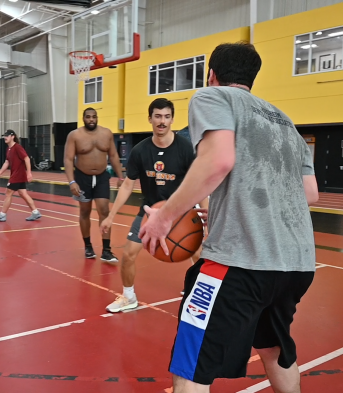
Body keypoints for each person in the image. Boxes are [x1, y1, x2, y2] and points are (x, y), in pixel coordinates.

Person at [139, 42, 319, 393]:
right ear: (252, 77)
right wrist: (230, 205)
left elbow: (218, 161)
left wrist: (164, 218)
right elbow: (309, 194)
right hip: (297, 266)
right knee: (274, 348)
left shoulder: (211, 96)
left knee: (190, 366)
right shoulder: (285, 122)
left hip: (239, 264)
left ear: (212, 75)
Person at [100, 98, 205, 312]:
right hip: (150, 211)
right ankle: (129, 297)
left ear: (172, 120)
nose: (162, 121)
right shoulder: (140, 151)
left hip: (182, 211)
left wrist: (206, 217)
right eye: (158, 116)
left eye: (167, 116)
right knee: (129, 254)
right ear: (150, 119)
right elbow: (128, 185)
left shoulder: (186, 149)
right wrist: (111, 215)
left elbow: (201, 183)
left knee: (199, 254)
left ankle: (199, 291)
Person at [64, 108, 125, 262]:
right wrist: (72, 181)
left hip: (102, 177)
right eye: (88, 117)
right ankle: (88, 246)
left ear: (97, 118)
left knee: (104, 210)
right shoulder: (75, 135)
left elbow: (113, 155)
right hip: (82, 177)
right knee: (85, 212)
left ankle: (106, 250)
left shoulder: (106, 134)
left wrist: (121, 177)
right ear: (83, 118)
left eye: (94, 117)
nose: (91, 119)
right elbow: (68, 159)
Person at [0, 130, 42, 222]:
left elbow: (26, 158)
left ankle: (2, 215)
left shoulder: (17, 147)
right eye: (4, 136)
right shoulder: (9, 149)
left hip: (17, 175)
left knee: (8, 192)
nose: (5, 138)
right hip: (17, 175)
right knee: (23, 193)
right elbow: (7, 162)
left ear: (12, 136)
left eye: (6, 136)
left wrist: (29, 173)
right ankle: (35, 212)